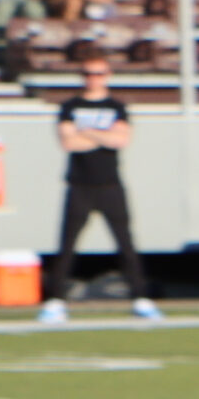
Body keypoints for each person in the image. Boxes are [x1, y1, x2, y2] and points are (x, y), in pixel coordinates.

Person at [45, 60, 161, 326]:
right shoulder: (70, 107)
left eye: (98, 73)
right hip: (79, 185)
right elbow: (69, 142)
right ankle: (55, 301)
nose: (93, 78)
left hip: (110, 184)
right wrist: (101, 136)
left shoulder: (116, 107)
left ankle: (141, 298)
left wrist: (87, 132)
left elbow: (120, 140)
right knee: (67, 244)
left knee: (126, 243)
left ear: (107, 76)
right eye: (88, 73)